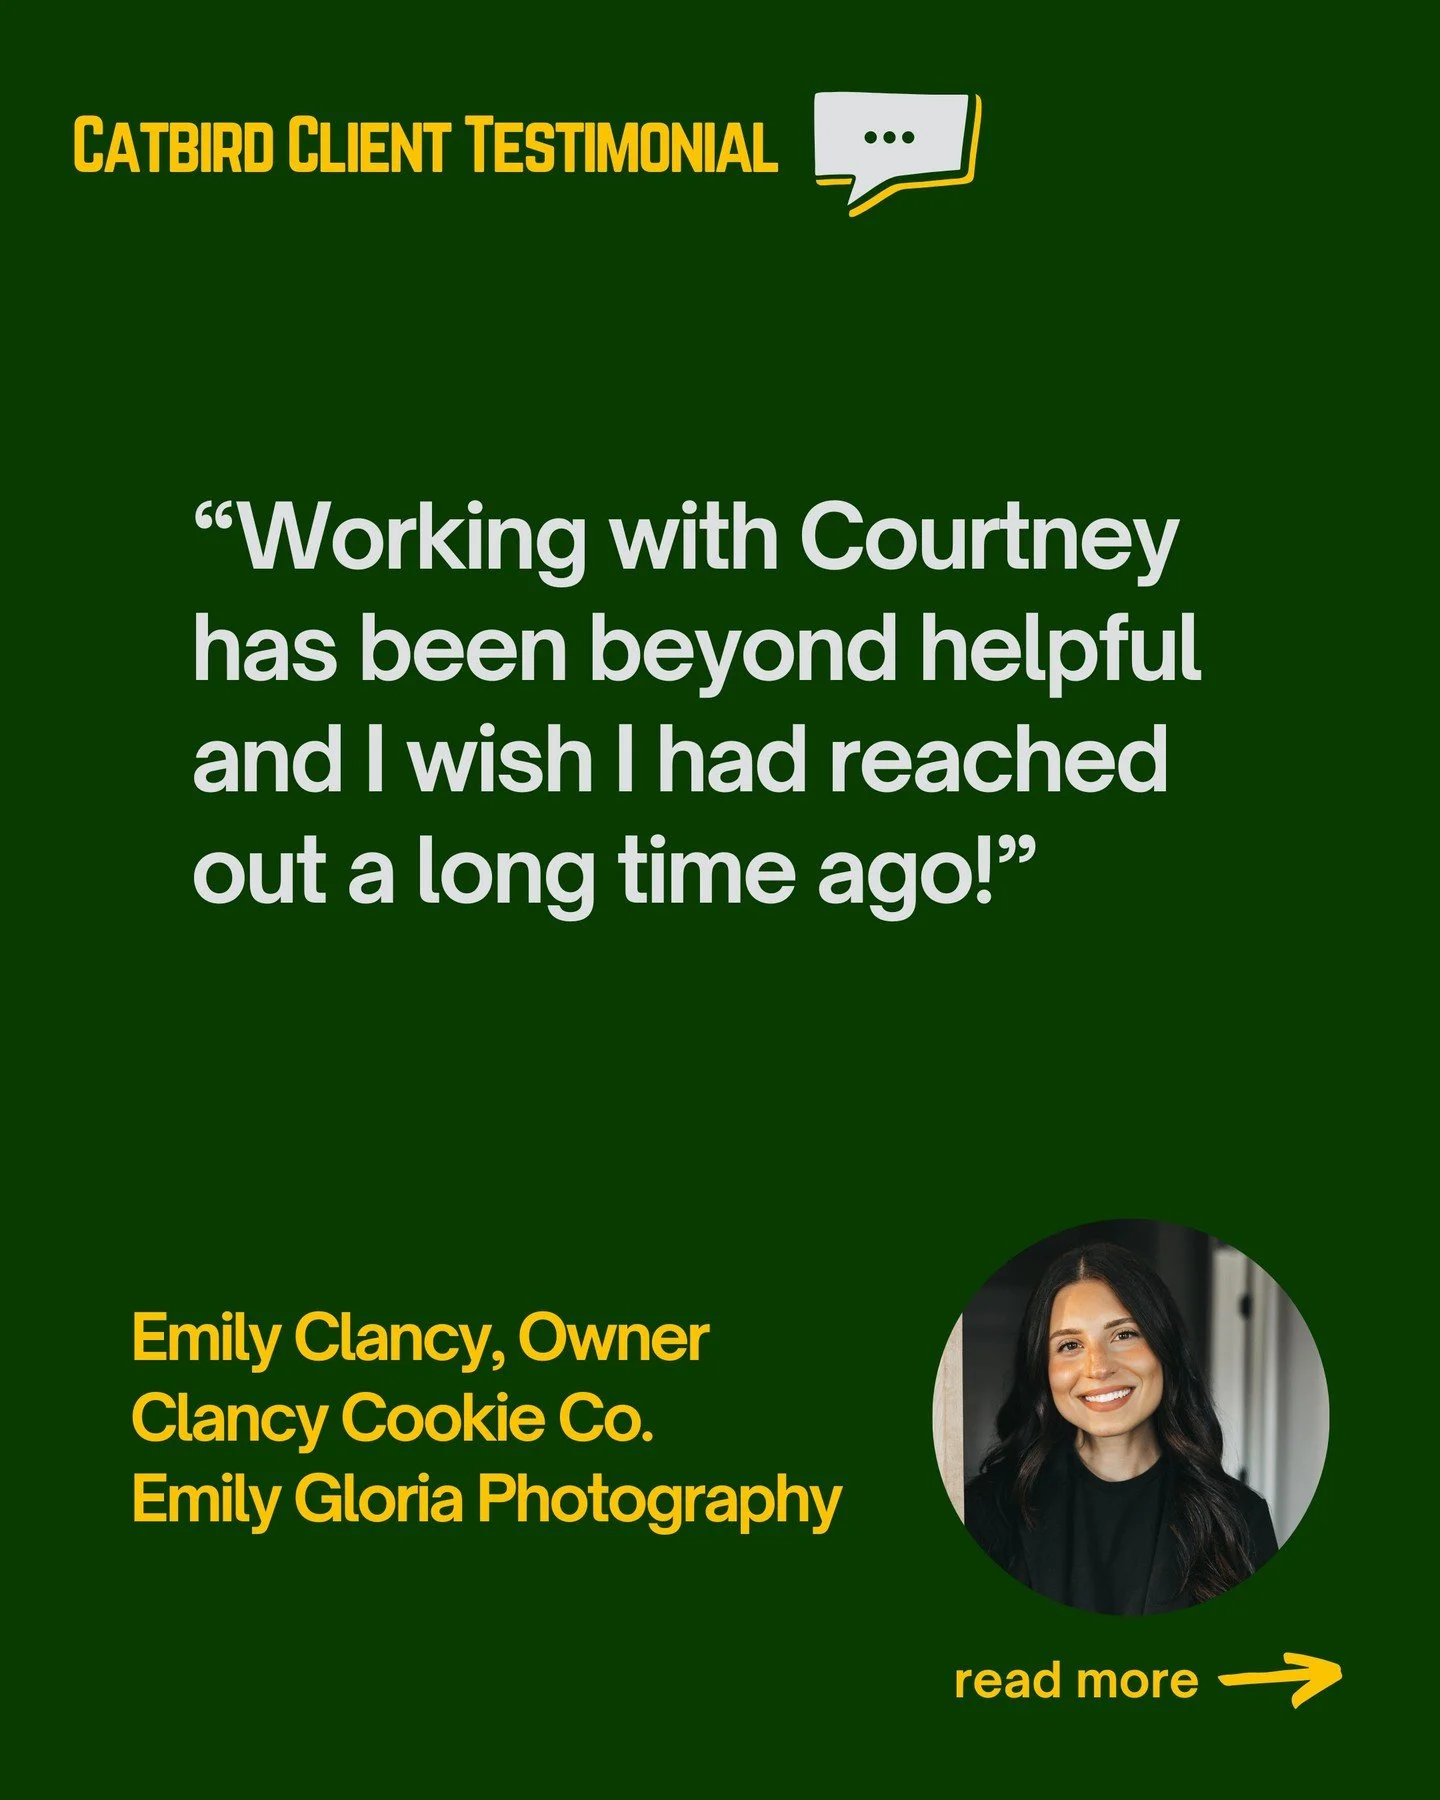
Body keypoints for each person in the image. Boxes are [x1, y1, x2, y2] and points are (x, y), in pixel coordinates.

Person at [965, 1240, 1277, 1613]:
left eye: (1124, 1335)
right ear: (1043, 1371)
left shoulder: (1238, 1518)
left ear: (1164, 1348)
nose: (1098, 1367)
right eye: (1069, 1345)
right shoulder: (987, 1512)